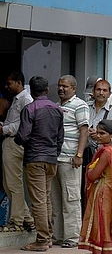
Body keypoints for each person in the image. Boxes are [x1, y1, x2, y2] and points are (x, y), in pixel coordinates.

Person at [15, 76, 64, 251]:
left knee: (38, 201)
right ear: (47, 90)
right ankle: (47, 236)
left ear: (31, 91)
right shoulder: (57, 109)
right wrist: (54, 152)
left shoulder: (30, 109)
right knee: (46, 199)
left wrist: (22, 144)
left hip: (35, 158)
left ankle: (42, 240)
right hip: (51, 159)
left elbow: (22, 136)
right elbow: (60, 137)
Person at [78, 120, 112, 254]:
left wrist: (88, 170)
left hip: (103, 194)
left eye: (102, 133)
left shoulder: (106, 152)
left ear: (111, 136)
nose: (98, 136)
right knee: (106, 227)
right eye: (97, 132)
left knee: (102, 226)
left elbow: (93, 176)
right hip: (110, 194)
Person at [52, 75, 89, 248]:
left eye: (65, 86)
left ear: (74, 88)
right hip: (55, 159)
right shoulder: (57, 105)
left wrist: (79, 154)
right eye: (60, 86)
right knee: (56, 199)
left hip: (70, 160)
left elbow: (84, 131)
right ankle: (58, 236)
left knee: (71, 199)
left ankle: (73, 238)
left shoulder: (80, 105)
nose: (61, 89)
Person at [84, 79, 112, 213]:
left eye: (104, 90)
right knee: (84, 189)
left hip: (103, 156)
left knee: (103, 192)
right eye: (98, 90)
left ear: (109, 94)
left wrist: (102, 135)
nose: (101, 93)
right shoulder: (85, 106)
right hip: (85, 153)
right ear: (93, 92)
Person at [0, 71, 35, 232]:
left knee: (14, 184)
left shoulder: (26, 100)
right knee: (9, 184)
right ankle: (26, 218)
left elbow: (24, 124)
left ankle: (17, 221)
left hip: (15, 142)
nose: (7, 86)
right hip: (10, 142)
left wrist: (4, 128)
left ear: (19, 82)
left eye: (9, 83)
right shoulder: (18, 99)